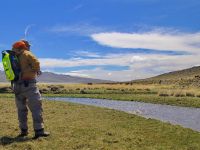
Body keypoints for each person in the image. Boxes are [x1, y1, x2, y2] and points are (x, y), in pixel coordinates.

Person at [12, 41, 49, 139]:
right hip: (29, 85)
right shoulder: (26, 53)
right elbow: (36, 62)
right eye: (28, 45)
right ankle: (39, 131)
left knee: (21, 110)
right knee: (36, 108)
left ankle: (23, 131)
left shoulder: (13, 56)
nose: (29, 47)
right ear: (24, 46)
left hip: (17, 86)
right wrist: (36, 70)